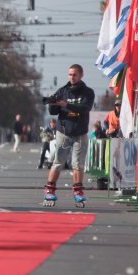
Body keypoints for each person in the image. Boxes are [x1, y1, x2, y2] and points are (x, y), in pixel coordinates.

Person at [42, 64, 95, 206]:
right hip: (64, 133)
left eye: (74, 75)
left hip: (80, 133)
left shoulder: (88, 92)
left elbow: (85, 108)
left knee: (78, 164)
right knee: (58, 162)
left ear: (81, 75)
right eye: (70, 74)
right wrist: (53, 103)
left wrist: (66, 105)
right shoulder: (62, 91)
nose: (72, 77)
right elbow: (53, 112)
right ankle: (50, 190)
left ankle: (78, 192)